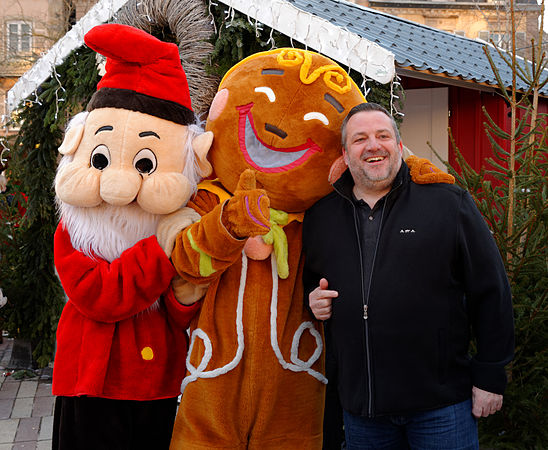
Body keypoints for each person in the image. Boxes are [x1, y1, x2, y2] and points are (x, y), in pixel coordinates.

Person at [302, 102, 514, 449]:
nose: (373, 145)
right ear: (344, 153)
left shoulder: (447, 203)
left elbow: (491, 290)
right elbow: (311, 281)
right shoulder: (322, 217)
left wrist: (490, 376)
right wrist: (313, 299)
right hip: (363, 412)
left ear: (398, 146)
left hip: (442, 407)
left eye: (383, 135)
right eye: (360, 139)